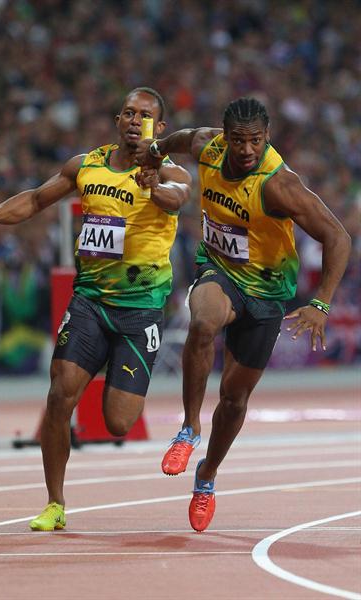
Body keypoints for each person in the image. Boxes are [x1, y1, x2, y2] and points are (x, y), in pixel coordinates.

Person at [0, 87, 192, 531]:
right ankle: (55, 503)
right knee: (58, 396)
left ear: (159, 127)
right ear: (117, 119)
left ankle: (113, 363)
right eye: (127, 112)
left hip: (139, 310)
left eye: (144, 115)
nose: (133, 120)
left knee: (119, 421)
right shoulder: (86, 165)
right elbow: (34, 199)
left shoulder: (171, 171)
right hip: (89, 301)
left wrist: (154, 183)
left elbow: (176, 198)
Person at [135, 97, 352, 532]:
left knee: (234, 400)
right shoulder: (208, 147)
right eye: (239, 140)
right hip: (219, 270)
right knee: (201, 323)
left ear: (266, 137)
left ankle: (207, 475)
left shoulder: (279, 184)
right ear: (225, 136)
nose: (247, 149)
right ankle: (188, 429)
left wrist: (321, 301)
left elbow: (338, 237)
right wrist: (154, 154)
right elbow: (177, 138)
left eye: (255, 140)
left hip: (268, 294)